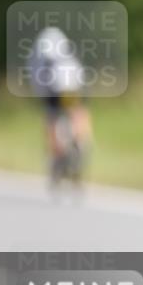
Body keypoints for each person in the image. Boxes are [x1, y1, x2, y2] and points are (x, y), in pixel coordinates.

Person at [31, 27, 93, 187]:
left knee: (51, 118)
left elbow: (39, 83)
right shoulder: (70, 54)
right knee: (78, 112)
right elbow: (81, 77)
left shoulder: (42, 57)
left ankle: (58, 155)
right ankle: (80, 142)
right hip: (74, 86)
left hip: (56, 88)